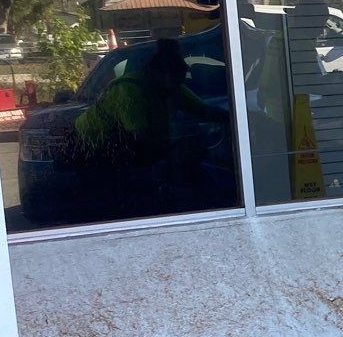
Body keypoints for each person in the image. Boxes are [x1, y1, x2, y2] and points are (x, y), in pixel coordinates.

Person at [75, 36, 228, 214]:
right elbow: (141, 139)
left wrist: (240, 120)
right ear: (158, 73)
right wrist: (177, 152)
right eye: (176, 79)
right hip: (92, 149)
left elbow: (205, 110)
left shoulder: (171, 88)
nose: (179, 85)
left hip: (127, 147)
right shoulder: (129, 91)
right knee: (122, 197)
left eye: (181, 80)